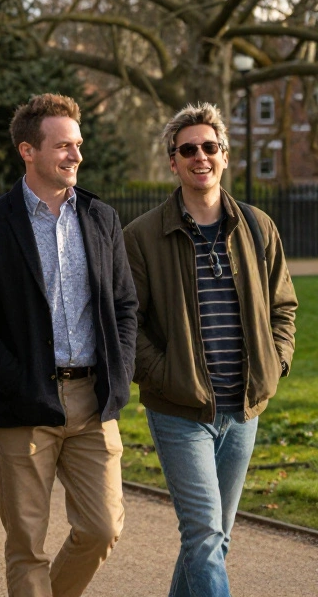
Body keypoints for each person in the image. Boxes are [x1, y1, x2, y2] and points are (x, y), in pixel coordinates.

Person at [0, 94, 138, 597]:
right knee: (27, 545)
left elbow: (124, 305)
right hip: (23, 404)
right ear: (27, 151)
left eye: (78, 145)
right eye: (63, 146)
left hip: (93, 400)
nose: (76, 155)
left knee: (103, 529)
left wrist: (118, 377)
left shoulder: (101, 218)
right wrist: (17, 379)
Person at [124, 103, 296, 597]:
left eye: (209, 147)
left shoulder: (258, 228)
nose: (200, 156)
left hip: (243, 408)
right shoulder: (140, 237)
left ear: (224, 155)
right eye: (188, 149)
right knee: (203, 535)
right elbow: (126, 324)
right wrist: (165, 376)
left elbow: (284, 307)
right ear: (172, 162)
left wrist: (276, 363)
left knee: (214, 539)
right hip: (180, 411)